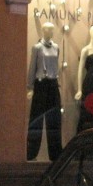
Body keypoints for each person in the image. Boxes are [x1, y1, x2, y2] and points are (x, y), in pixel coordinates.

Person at [26, 22, 62, 161]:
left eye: (52, 30)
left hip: (53, 84)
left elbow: (55, 65)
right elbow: (32, 68)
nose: (51, 32)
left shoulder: (56, 47)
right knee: (37, 118)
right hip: (41, 84)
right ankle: (31, 151)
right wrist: (30, 87)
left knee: (54, 119)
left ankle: (56, 153)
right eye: (49, 30)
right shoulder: (37, 48)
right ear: (43, 31)